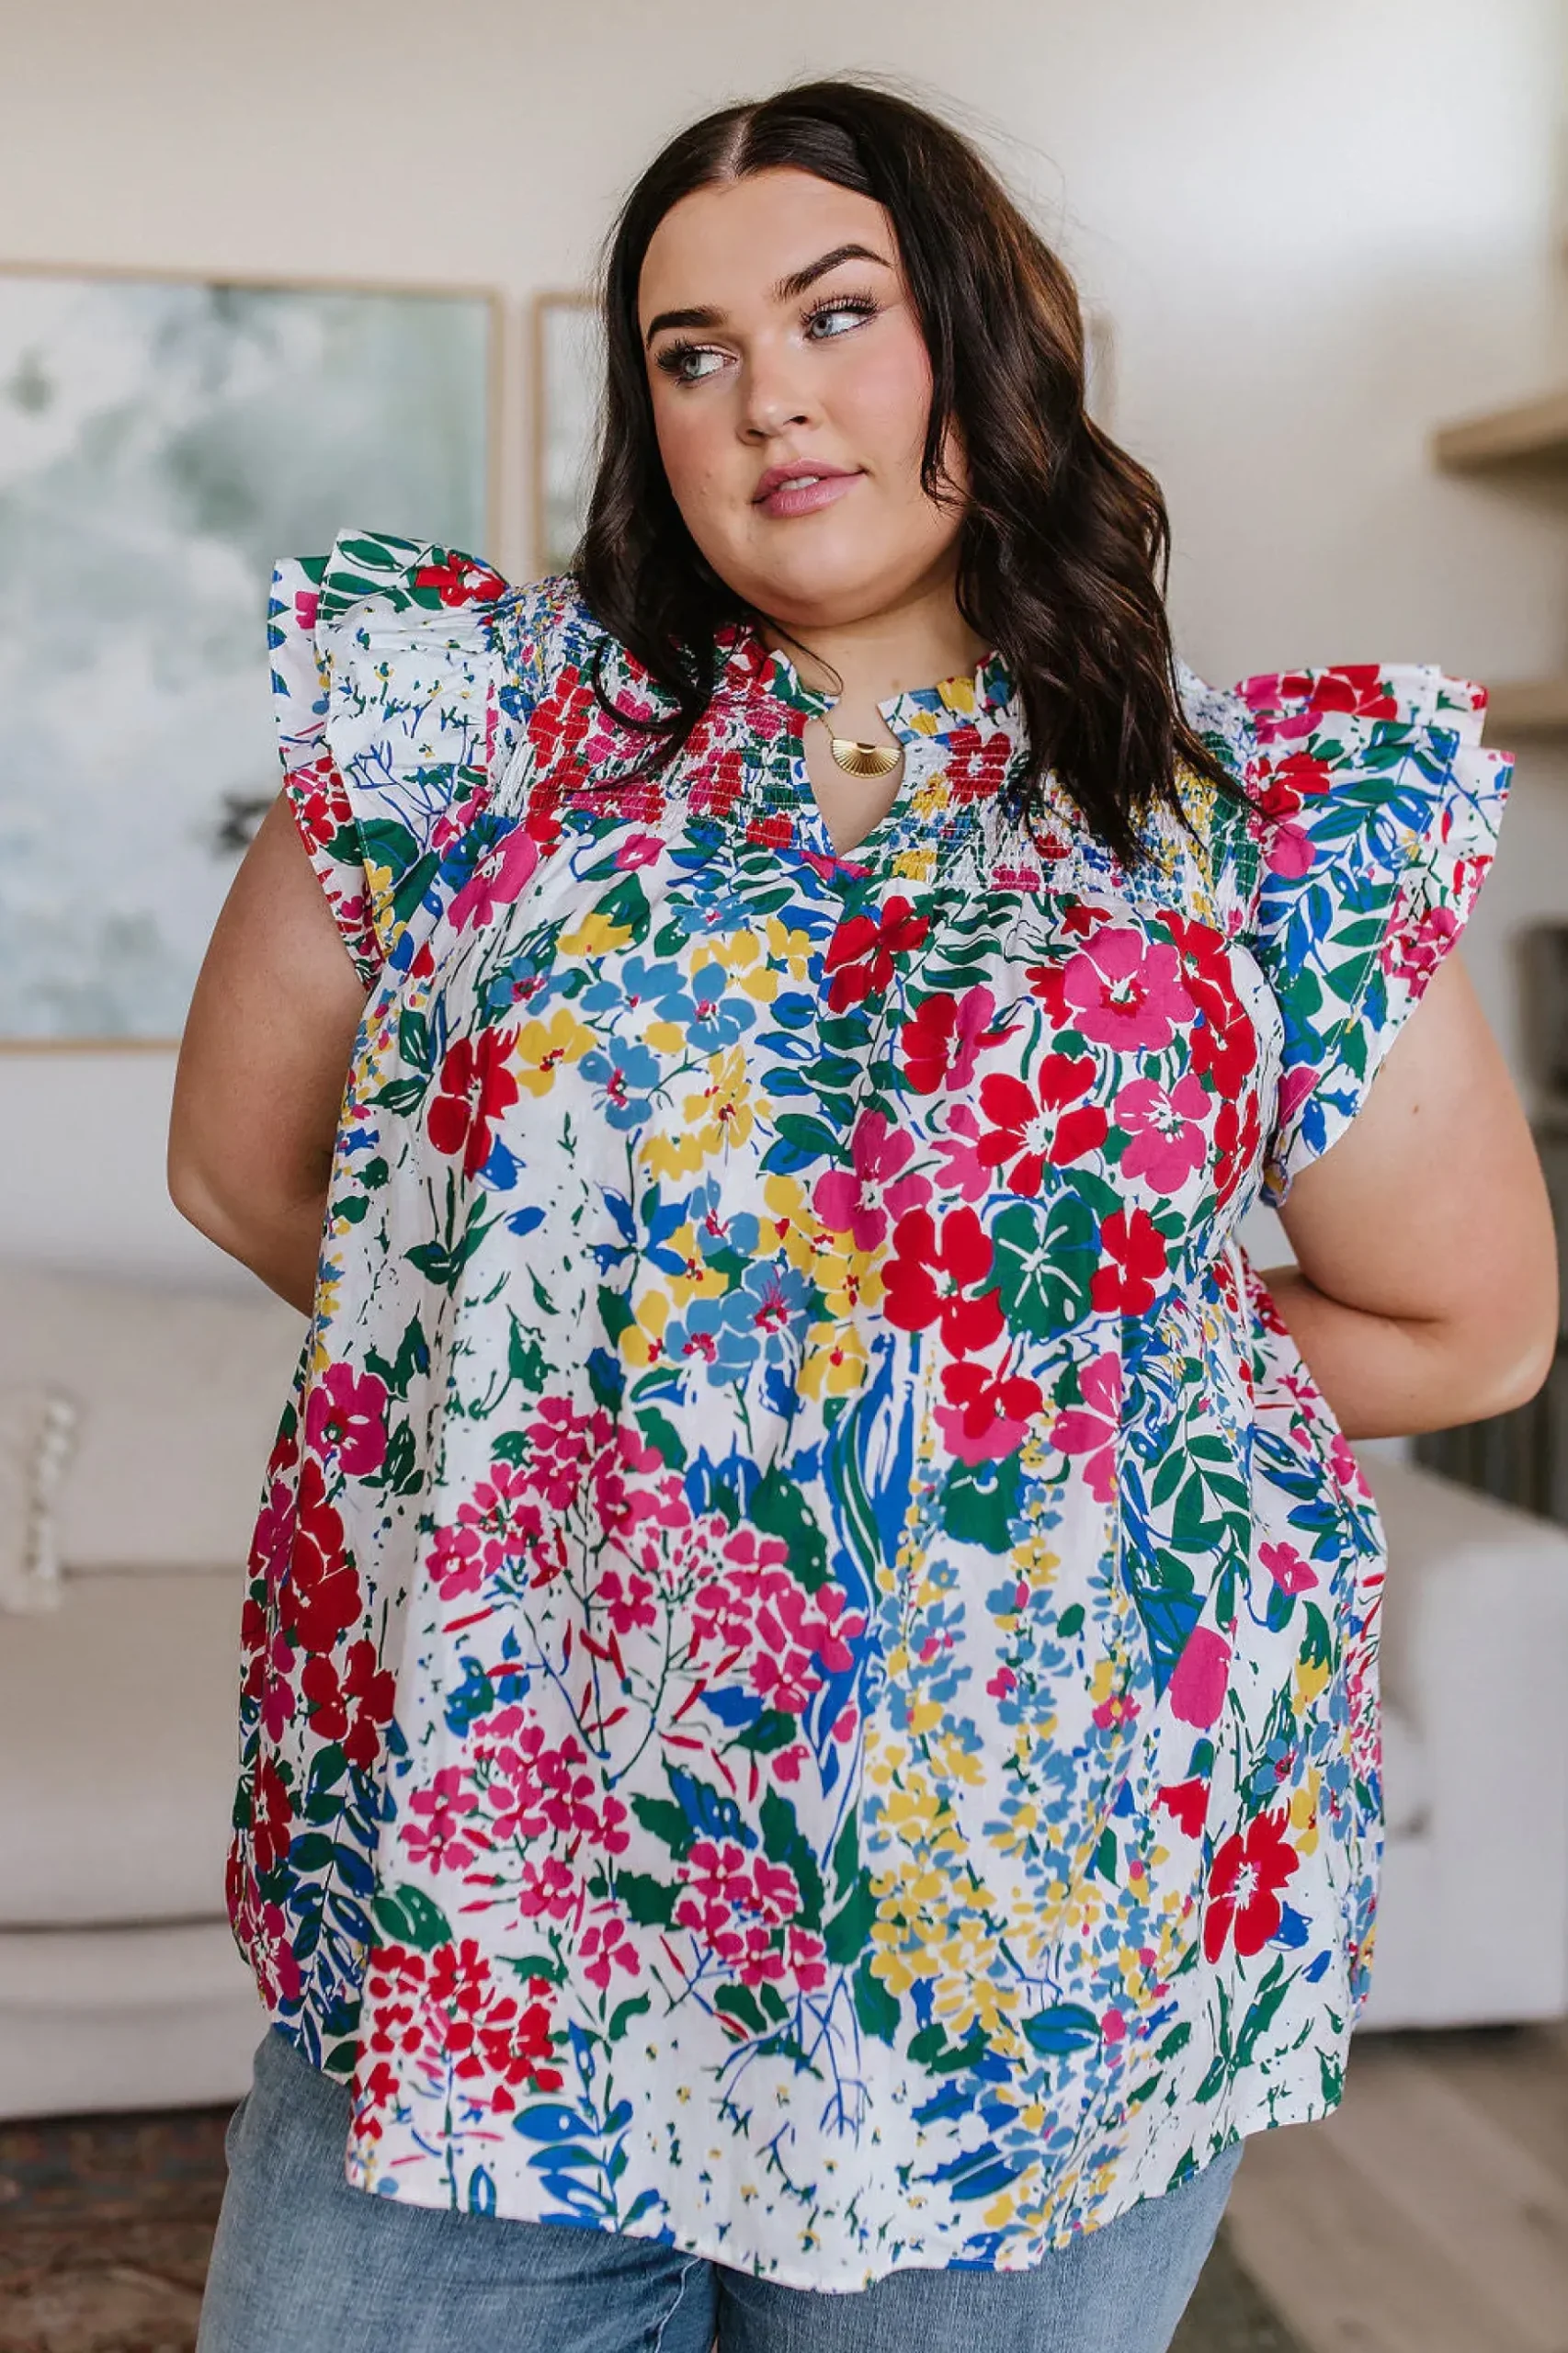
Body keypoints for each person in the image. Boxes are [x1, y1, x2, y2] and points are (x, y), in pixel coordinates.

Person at [169, 77, 1556, 2353]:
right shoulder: (467, 733)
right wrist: (605, 1375)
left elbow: (1465, 1326)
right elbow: (248, 1163)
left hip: (1030, 1933)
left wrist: (997, 1388)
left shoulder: (1254, 824)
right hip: (496, 1915)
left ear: (991, 345)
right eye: (690, 351)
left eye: (836, 313)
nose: (766, 397)